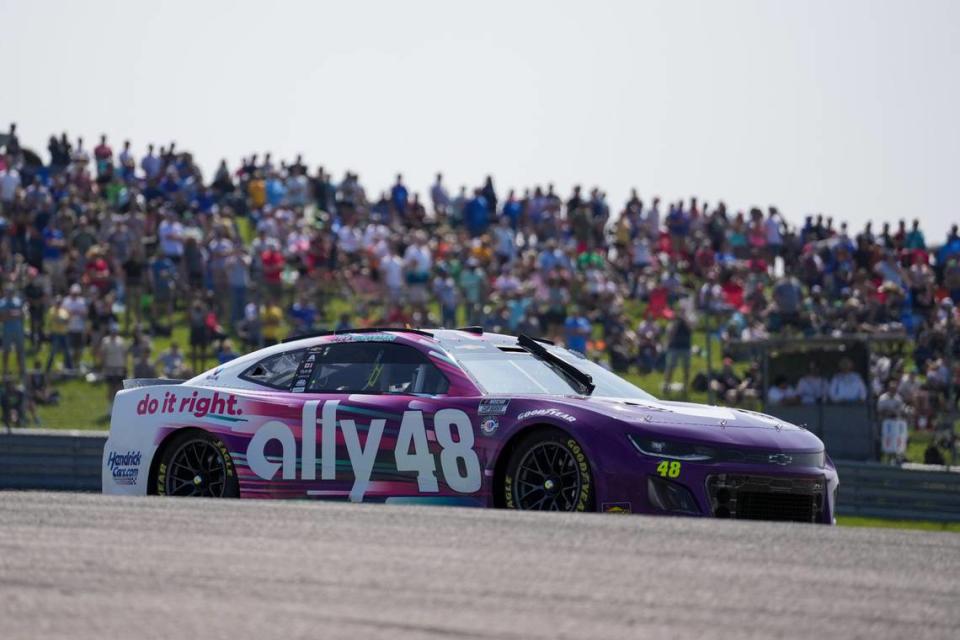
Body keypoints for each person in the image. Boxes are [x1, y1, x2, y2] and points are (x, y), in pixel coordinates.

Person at [0, 284, 26, 380]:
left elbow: (22, 314)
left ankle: (21, 370)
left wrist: (11, 314)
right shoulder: (1, 303)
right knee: (6, 351)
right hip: (7, 330)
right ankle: (5, 370)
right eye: (8, 291)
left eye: (11, 291)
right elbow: (1, 318)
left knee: (20, 351)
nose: (10, 293)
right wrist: (12, 314)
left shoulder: (18, 301)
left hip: (18, 329)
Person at [663, 314, 692, 397]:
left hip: (685, 347)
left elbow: (691, 329)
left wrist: (685, 320)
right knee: (670, 368)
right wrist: (676, 323)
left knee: (686, 369)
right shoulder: (673, 322)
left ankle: (685, 388)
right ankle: (666, 386)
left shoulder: (688, 320)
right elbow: (670, 333)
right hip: (675, 347)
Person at [99, 323, 127, 407]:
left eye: (115, 331)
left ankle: (118, 406)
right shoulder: (105, 341)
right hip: (109, 367)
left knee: (119, 388)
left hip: (119, 367)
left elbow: (124, 354)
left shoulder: (121, 341)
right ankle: (109, 407)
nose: (114, 333)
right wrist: (103, 365)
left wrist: (125, 366)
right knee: (110, 388)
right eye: (113, 331)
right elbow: (103, 354)